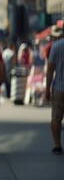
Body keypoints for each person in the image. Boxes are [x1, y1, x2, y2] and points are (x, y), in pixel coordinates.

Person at [45, 27, 64, 155]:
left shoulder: (56, 46)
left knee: (56, 118)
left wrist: (47, 89)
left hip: (59, 87)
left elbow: (50, 69)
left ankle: (57, 145)